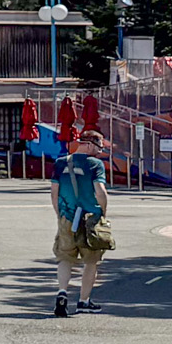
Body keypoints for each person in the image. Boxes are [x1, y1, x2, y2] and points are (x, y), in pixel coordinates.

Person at [51, 129, 112, 317]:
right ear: (88, 144)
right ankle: (83, 301)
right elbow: (100, 192)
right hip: (90, 219)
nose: (99, 152)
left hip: (66, 217)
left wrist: (60, 214)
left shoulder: (60, 163)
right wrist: (102, 212)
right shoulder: (95, 165)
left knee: (65, 258)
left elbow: (54, 193)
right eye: (98, 147)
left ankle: (62, 293)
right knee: (91, 261)